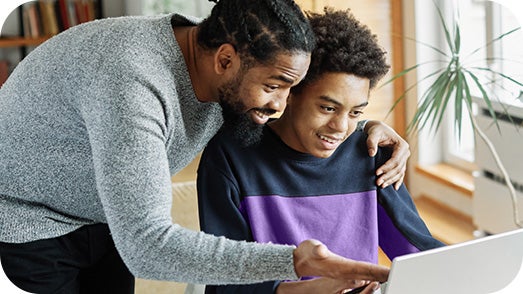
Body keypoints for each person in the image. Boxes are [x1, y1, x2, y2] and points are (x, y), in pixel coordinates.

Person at [0, 0, 407, 293]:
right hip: (32, 220)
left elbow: (300, 113)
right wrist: (294, 261)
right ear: (225, 61)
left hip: (106, 216)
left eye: (290, 89)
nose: (279, 105)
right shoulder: (133, 84)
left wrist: (361, 127)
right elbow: (148, 246)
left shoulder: (232, 47)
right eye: (273, 87)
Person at [197, 7, 445, 294]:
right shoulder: (231, 157)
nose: (340, 127)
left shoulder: (371, 152)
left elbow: (420, 255)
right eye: (327, 108)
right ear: (291, 92)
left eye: (355, 113)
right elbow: (224, 277)